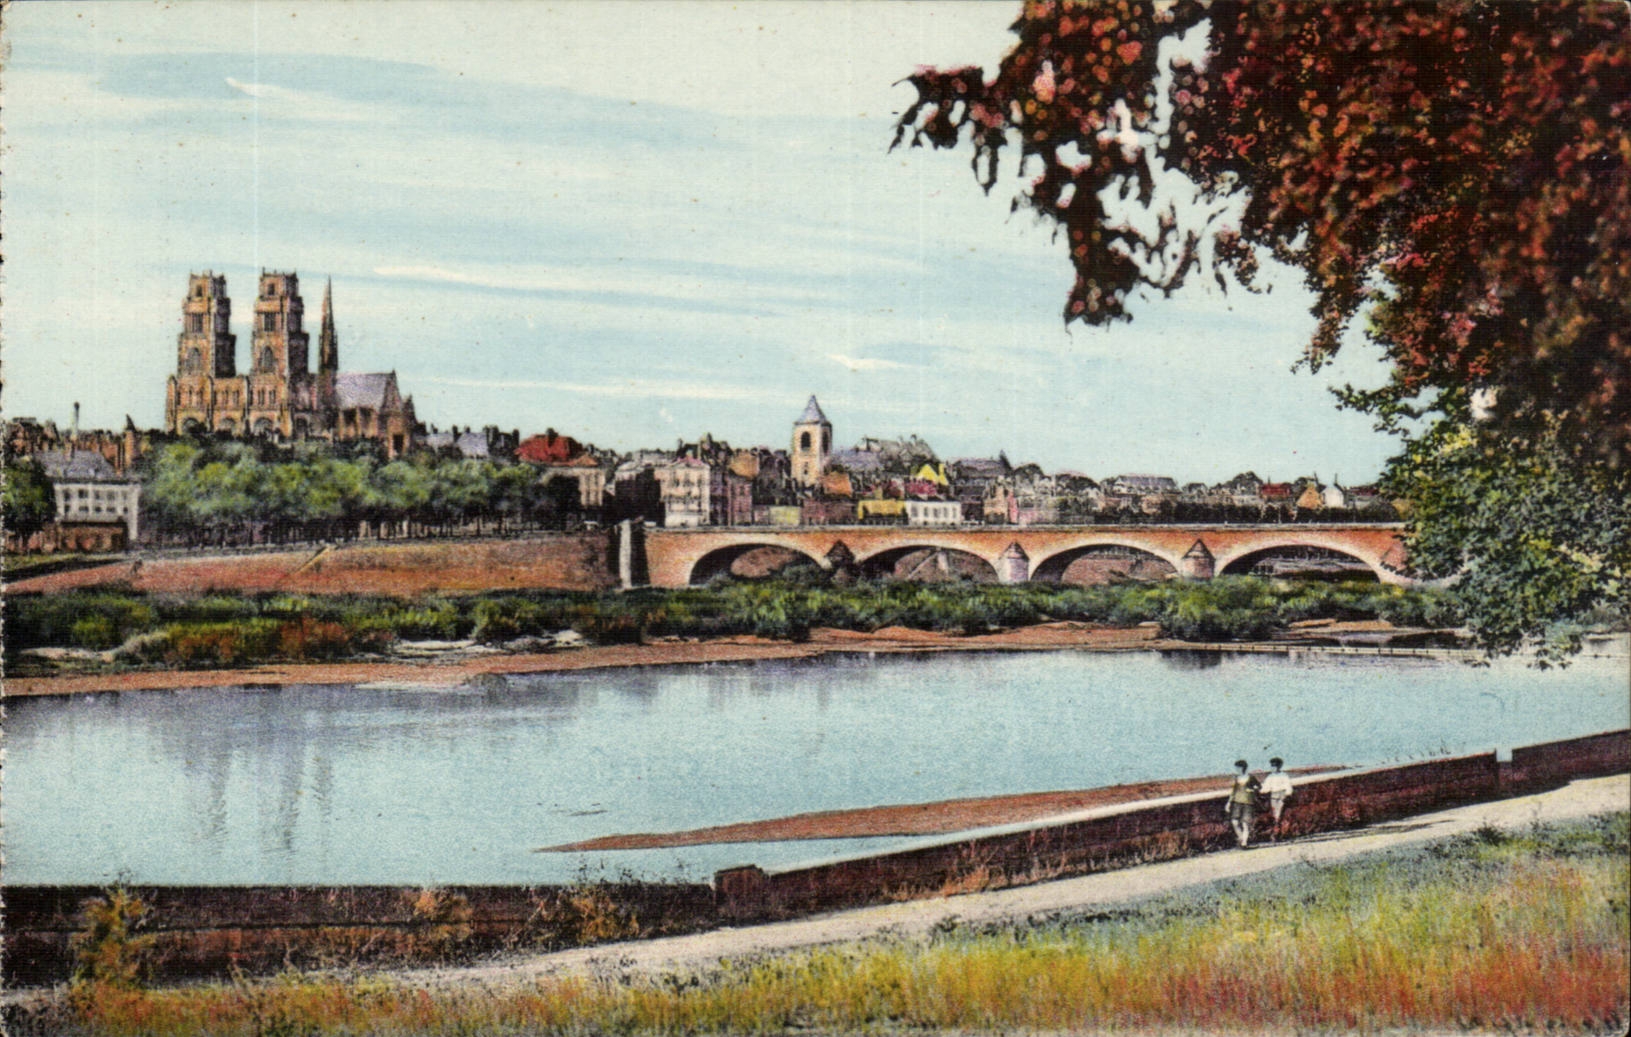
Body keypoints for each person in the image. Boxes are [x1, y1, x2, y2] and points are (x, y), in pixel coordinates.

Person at [1224, 759, 1261, 848]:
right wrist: (1228, 803)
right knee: (1234, 822)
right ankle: (1241, 839)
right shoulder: (1236, 779)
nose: (1238, 770)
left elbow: (1259, 787)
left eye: (1239, 768)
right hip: (1237, 802)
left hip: (1248, 802)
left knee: (1245, 824)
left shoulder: (1251, 777)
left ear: (1244, 768)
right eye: (1237, 768)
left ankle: (1244, 843)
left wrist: (1252, 790)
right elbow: (1233, 791)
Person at [1260, 757, 1294, 834]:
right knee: (1275, 813)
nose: (1273, 768)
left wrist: (1288, 793)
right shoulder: (1270, 777)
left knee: (1279, 813)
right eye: (1272, 766)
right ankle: (1277, 829)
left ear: (1279, 767)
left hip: (1282, 795)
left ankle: (1277, 829)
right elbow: (1266, 786)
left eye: (1275, 766)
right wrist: (1261, 791)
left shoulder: (1284, 775)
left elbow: (1288, 785)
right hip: (1273, 796)